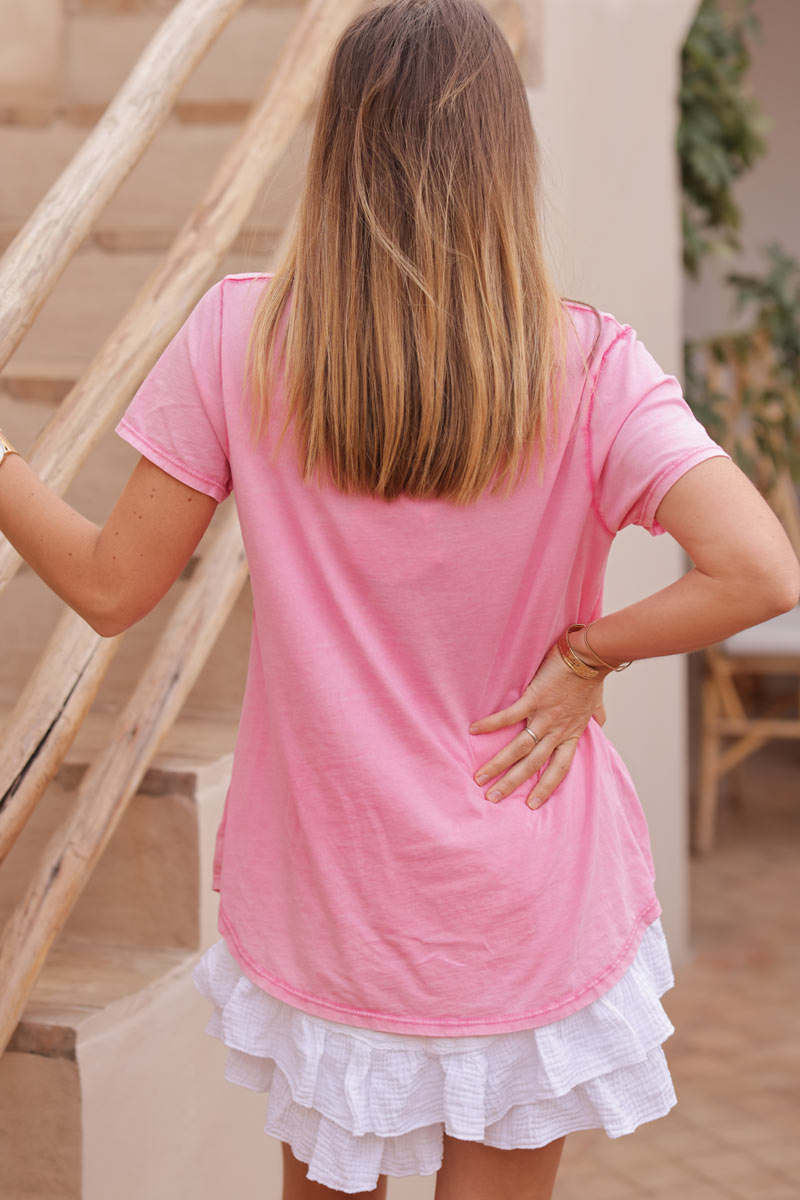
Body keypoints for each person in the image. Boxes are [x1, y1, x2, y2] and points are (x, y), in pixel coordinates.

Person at [1, 0, 798, 1196]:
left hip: (334, 896)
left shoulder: (235, 338)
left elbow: (113, 591)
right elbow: (758, 571)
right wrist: (588, 654)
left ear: (336, 145)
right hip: (526, 894)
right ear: (500, 158)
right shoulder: (590, 366)